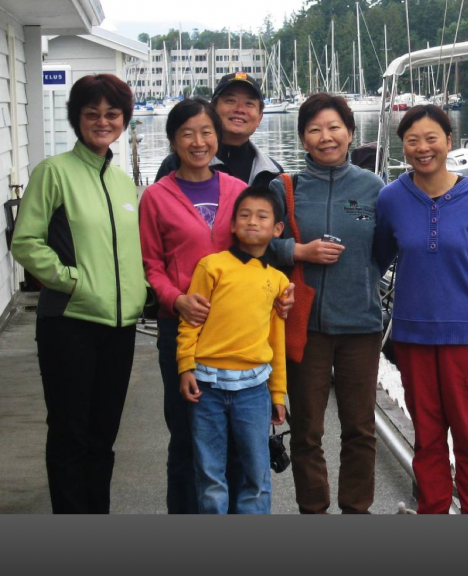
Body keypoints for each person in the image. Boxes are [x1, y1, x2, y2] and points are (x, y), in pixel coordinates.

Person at [12, 74, 147, 513]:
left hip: (119, 326)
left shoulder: (123, 183)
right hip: (69, 323)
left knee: (103, 437)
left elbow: (132, 252)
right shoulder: (54, 172)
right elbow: (25, 242)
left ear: (124, 119)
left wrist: (141, 292)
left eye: (112, 114)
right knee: (70, 435)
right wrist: (74, 281)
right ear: (77, 118)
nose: (103, 122)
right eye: (92, 114)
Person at [374, 104, 468, 514]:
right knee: (428, 440)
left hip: (467, 341)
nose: (423, 148)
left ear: (449, 142)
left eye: (431, 138)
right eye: (412, 140)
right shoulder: (391, 198)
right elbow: (374, 261)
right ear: (403, 147)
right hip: (412, 339)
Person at [267, 93, 385, 514]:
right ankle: (313, 511)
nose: (326, 137)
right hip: (306, 326)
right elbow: (257, 242)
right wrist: (298, 251)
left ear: (350, 133)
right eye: (315, 129)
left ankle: (356, 510)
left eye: (335, 127)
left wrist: (365, 278)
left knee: (360, 429)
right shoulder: (286, 188)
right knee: (306, 430)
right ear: (303, 138)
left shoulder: (373, 188)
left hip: (361, 325)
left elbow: (387, 247)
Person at [139, 98, 249, 513]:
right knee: (186, 436)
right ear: (173, 140)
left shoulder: (237, 191)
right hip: (181, 329)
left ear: (218, 137)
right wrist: (177, 299)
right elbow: (151, 264)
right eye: (187, 133)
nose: (198, 142)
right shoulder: (156, 197)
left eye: (206, 132)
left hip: (235, 332)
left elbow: (256, 253)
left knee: (236, 438)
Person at [176, 186, 289, 514]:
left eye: (262, 216)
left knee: (257, 474)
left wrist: (277, 393)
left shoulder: (278, 281)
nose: (252, 221)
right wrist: (185, 365)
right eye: (244, 215)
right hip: (206, 386)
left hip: (254, 390)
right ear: (233, 225)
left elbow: (276, 341)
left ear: (277, 229)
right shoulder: (211, 266)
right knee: (210, 473)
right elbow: (191, 322)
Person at [155, 72, 283, 187]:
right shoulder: (178, 164)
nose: (239, 109)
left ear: (260, 117)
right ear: (213, 110)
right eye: (230, 101)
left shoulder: (273, 173)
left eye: (249, 103)